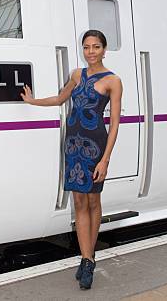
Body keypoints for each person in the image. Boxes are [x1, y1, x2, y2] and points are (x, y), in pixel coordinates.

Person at [21, 30, 123, 290]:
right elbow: (60, 99)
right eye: (87, 47)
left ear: (104, 49)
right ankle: (86, 259)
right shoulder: (77, 75)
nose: (91, 51)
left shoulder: (113, 81)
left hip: (95, 146)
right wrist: (32, 101)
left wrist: (105, 160)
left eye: (96, 46)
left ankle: (89, 257)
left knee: (93, 199)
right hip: (73, 144)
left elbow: (114, 124)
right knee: (78, 200)